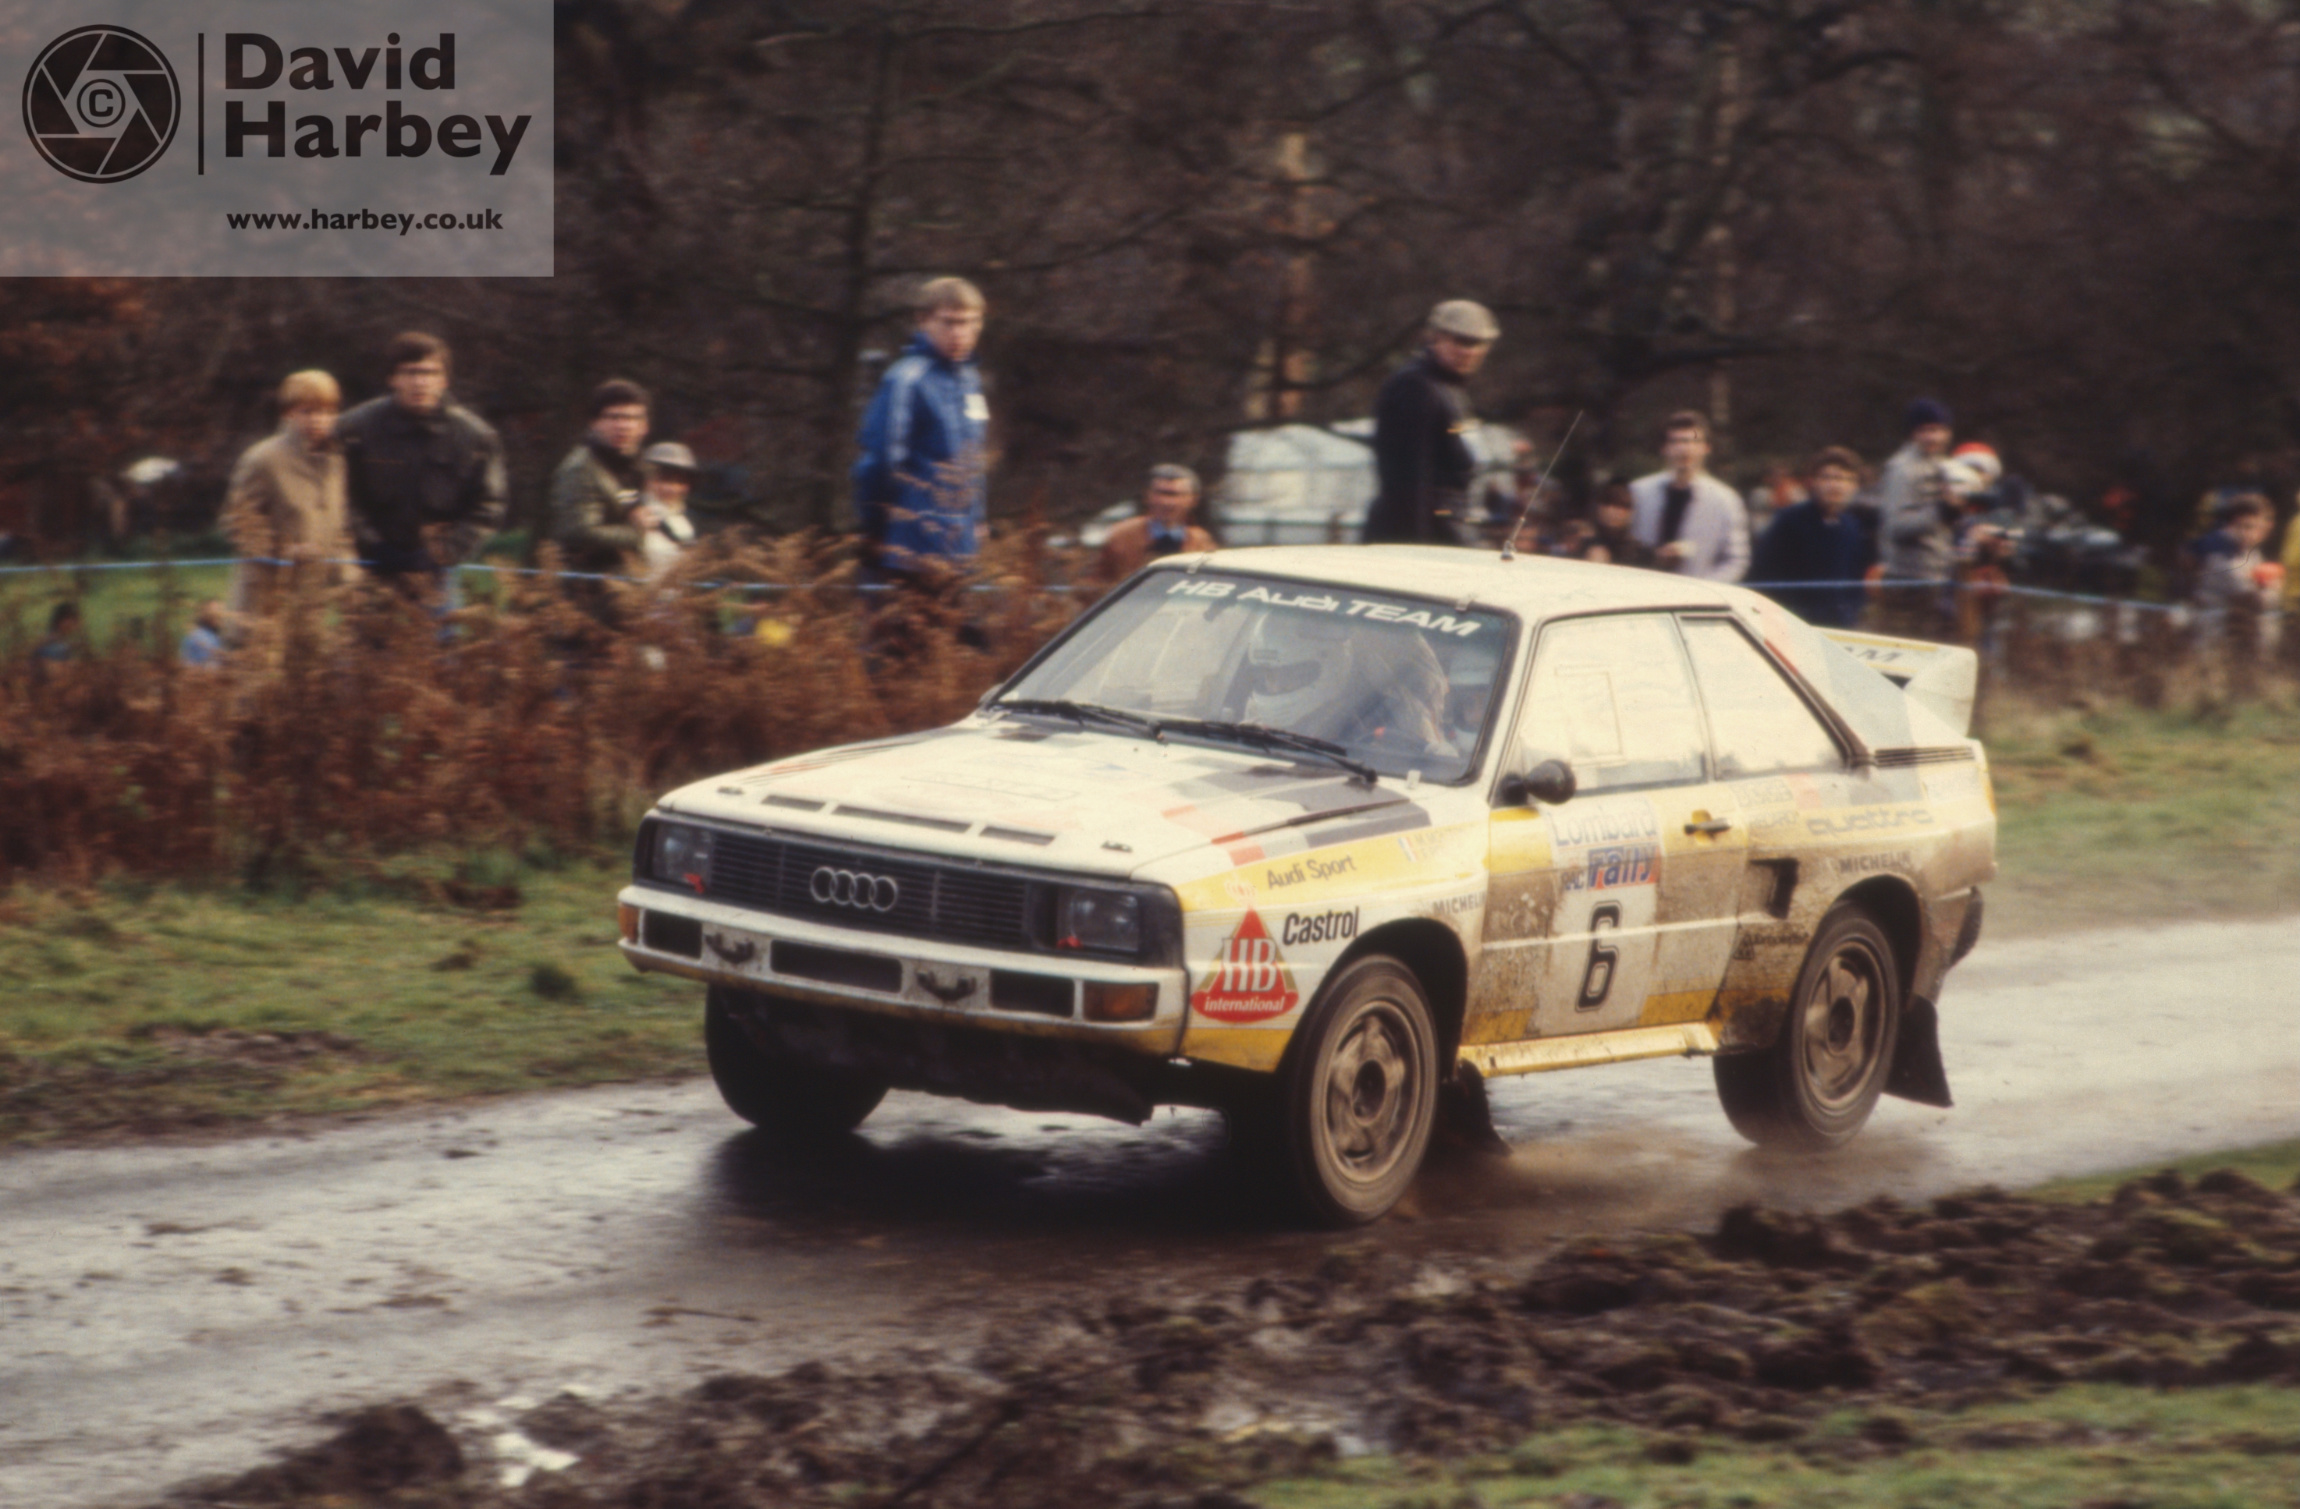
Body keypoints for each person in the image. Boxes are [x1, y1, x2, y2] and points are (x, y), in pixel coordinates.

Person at [336, 332, 508, 604]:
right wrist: (372, 545)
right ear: (392, 378)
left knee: (441, 646)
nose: (420, 382)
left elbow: (489, 506)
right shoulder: (355, 429)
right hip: (369, 569)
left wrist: (444, 553)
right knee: (365, 645)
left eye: (430, 372)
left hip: (437, 575)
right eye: (410, 372)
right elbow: (339, 496)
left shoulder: (476, 438)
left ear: (444, 380)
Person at [852, 277, 990, 588]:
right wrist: (874, 528)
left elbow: (972, 461)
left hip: (959, 550)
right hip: (909, 549)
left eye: (968, 323)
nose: (959, 333)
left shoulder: (970, 381)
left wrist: (978, 519)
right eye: (948, 323)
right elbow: (881, 462)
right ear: (923, 321)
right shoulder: (906, 379)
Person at [1363, 299, 1499, 545]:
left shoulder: (1451, 391)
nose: (1468, 351)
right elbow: (1408, 483)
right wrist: (1418, 554)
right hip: (1423, 538)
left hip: (1451, 532)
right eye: (1460, 340)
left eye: (1478, 343)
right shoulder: (1415, 387)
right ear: (1435, 338)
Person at [218, 369, 352, 615]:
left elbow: (340, 528)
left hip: (311, 601)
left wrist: (350, 576)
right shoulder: (262, 459)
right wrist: (284, 551)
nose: (317, 420)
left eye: (326, 411)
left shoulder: (338, 462)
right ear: (288, 413)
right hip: (263, 599)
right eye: (307, 411)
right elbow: (234, 523)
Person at [1749, 447, 1877, 628]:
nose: (1835, 485)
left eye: (1845, 479)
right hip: (1794, 624)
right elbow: (1763, 578)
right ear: (1811, 482)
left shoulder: (1853, 526)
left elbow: (1855, 581)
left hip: (1841, 626)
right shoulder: (1789, 521)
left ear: (1855, 486)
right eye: (1827, 478)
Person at [549, 379, 653, 583]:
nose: (623, 425)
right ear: (594, 422)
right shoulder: (580, 468)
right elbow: (577, 531)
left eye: (633, 418)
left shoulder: (636, 465)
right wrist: (636, 533)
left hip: (628, 581)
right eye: (613, 417)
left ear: (644, 427)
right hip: (587, 584)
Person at [1628, 411, 1748, 581]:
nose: (1684, 449)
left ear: (1706, 448)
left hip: (1697, 600)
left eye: (1693, 441)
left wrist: (1704, 591)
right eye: (1676, 441)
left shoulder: (1726, 499)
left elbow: (1736, 560)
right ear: (1664, 448)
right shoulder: (1638, 491)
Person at [1871, 398, 1957, 635]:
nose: (1932, 437)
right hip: (1906, 579)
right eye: (1925, 430)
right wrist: (1940, 510)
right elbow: (1896, 527)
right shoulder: (1902, 469)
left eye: (1938, 430)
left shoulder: (1943, 465)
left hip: (1937, 574)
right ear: (1913, 433)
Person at [1092, 464, 1217, 587]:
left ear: (1193, 500)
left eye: (1175, 495)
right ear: (1147, 496)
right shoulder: (1122, 536)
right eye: (1160, 493)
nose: (1166, 502)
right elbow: (1091, 585)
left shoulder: (1201, 542)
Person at [2189, 493, 2278, 649]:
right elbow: (2246, 597)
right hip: (2212, 631)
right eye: (2252, 525)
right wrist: (2268, 588)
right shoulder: (2218, 551)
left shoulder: (2249, 551)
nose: (2260, 531)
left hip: (2234, 632)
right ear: (2236, 522)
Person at [635, 441, 700, 582]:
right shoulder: (633, 514)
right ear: (647, 479)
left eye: (680, 482)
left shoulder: (684, 521)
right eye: (664, 480)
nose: (672, 489)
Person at [1571, 481, 1655, 567]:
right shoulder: (1579, 544)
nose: (1612, 510)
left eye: (1622, 505)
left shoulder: (1641, 553)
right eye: (1607, 503)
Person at [179, 599, 229, 669]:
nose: (221, 616)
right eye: (216, 614)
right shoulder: (200, 637)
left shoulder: (213, 636)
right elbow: (210, 668)